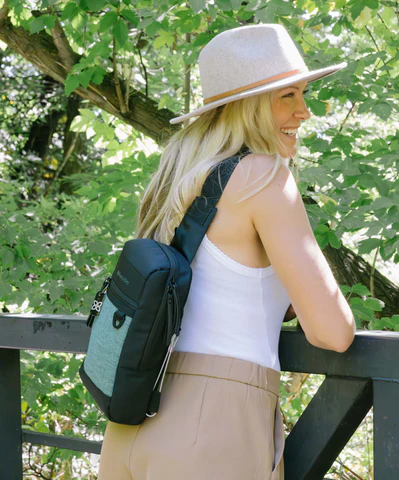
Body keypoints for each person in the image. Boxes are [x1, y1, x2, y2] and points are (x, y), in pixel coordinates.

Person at [97, 23, 355, 480]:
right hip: (212, 428)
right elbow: (333, 332)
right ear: (249, 106)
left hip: (131, 423)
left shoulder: (179, 174)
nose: (305, 111)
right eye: (287, 96)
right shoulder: (264, 177)